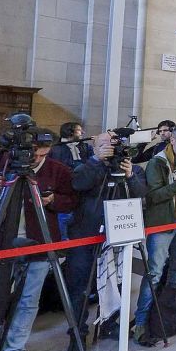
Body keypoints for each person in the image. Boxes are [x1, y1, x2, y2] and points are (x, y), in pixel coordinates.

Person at [0, 128, 76, 351]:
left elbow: (71, 200)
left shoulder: (57, 170)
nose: (36, 160)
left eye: (43, 155)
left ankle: (15, 349)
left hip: (38, 245)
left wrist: (52, 201)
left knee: (28, 302)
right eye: (34, 154)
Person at [64, 132, 148, 330]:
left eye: (113, 143)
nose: (110, 147)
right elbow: (78, 184)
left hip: (118, 234)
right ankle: (77, 331)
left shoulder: (132, 168)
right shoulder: (84, 166)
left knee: (116, 281)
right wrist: (97, 161)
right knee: (80, 285)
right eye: (104, 144)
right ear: (94, 148)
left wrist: (129, 176)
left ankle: (110, 324)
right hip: (86, 233)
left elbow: (142, 195)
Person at [134, 125, 176, 344]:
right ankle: (141, 320)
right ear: (172, 140)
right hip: (163, 223)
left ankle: (173, 310)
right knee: (154, 271)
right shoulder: (158, 162)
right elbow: (152, 196)